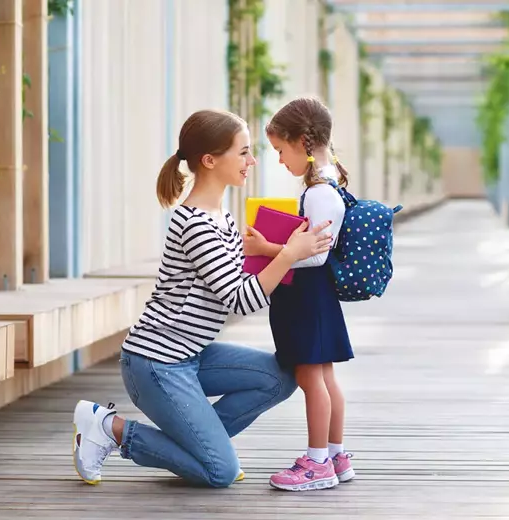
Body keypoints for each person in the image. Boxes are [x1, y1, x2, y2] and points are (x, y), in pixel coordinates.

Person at [72, 109, 333, 488]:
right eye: (243, 152)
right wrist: (289, 254)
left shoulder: (222, 218)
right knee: (219, 472)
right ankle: (110, 428)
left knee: (281, 377)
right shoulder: (196, 224)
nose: (252, 160)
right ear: (210, 160)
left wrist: (277, 250)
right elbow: (241, 300)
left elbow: (244, 286)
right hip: (155, 363)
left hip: (191, 354)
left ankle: (199, 447)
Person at [242, 97, 355, 491]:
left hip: (306, 298)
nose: (278, 160)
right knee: (325, 378)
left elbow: (313, 257)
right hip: (316, 299)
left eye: (280, 150)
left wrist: (265, 250)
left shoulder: (319, 192)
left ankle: (317, 462)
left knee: (312, 380)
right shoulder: (329, 183)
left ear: (303, 142)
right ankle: (335, 455)